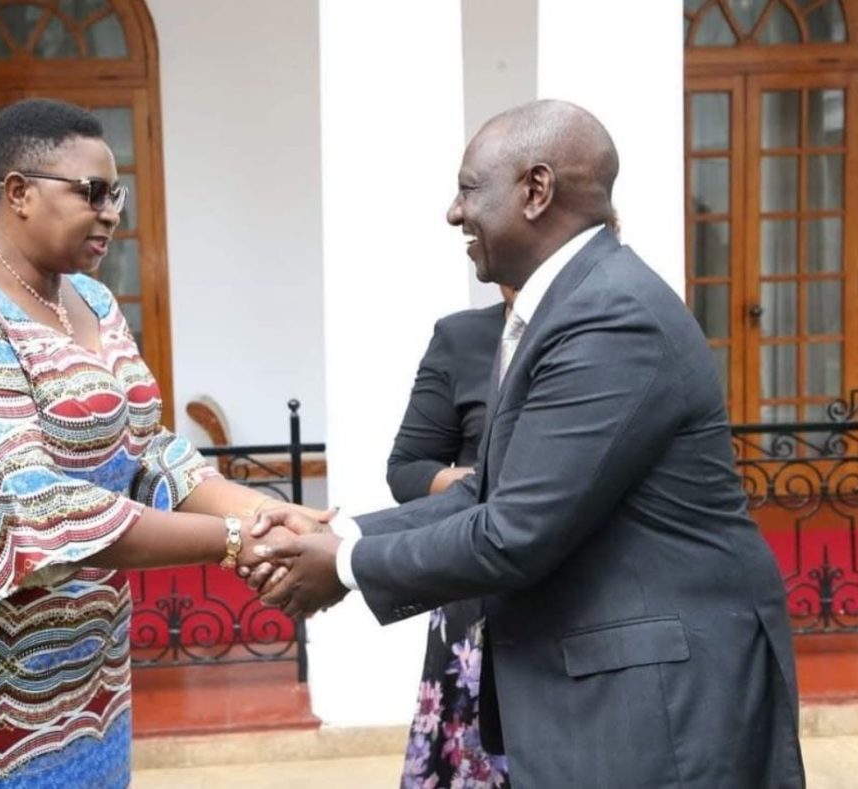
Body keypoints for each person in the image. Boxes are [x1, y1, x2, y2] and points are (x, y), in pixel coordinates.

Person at [250, 100, 804, 787]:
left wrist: (343, 564)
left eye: (469, 187)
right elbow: (488, 491)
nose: (455, 212)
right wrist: (340, 528)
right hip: (612, 692)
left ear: (536, 190)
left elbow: (516, 530)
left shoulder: (610, 316)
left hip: (658, 706)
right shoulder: (569, 305)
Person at [0, 98, 316, 788]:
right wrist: (236, 539)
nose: (112, 211)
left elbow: (147, 450)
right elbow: (31, 502)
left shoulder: (92, 299)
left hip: (87, 646)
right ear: (18, 192)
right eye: (93, 192)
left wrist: (263, 511)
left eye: (118, 193)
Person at [387, 289, 514, 788]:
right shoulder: (462, 337)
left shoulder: (609, 327)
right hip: (476, 606)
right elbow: (407, 470)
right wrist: (488, 485)